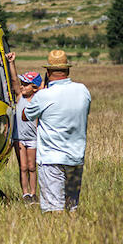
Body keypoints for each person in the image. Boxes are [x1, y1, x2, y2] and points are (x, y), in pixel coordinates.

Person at [23, 49, 91, 213]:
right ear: (67, 70)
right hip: (75, 157)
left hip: (51, 158)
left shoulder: (43, 96)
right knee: (71, 207)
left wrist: (41, 91)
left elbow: (26, 116)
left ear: (47, 72)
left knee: (54, 210)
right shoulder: (83, 91)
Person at [6, 52, 41, 205]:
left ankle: (34, 194)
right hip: (19, 137)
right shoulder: (19, 96)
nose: (22, 86)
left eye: (26, 84)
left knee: (32, 167)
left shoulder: (39, 100)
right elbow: (14, 80)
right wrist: (11, 63)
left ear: (34, 88)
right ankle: (25, 194)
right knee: (23, 167)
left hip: (33, 138)